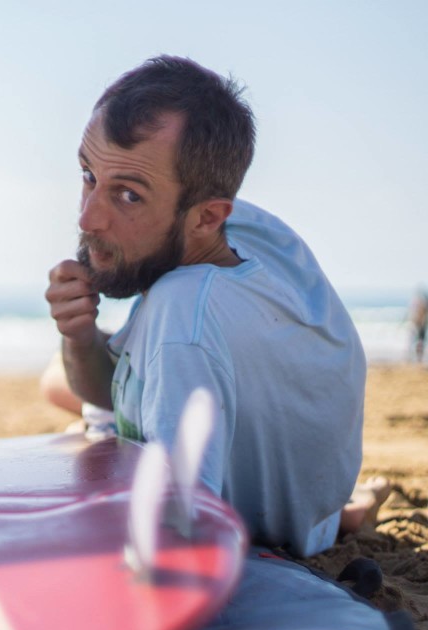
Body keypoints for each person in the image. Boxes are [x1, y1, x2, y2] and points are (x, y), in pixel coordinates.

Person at [45, 55, 373, 557]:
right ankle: (350, 509)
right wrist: (79, 335)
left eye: (128, 196)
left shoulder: (183, 320)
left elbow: (179, 537)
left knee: (55, 387)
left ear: (206, 216)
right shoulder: (258, 233)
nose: (90, 220)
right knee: (71, 376)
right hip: (314, 513)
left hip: (264, 528)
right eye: (89, 175)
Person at [408, 287, 428, 363]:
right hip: (418, 325)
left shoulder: (422, 305)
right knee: (416, 341)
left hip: (420, 325)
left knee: (419, 342)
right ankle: (415, 357)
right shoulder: (420, 304)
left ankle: (418, 358)